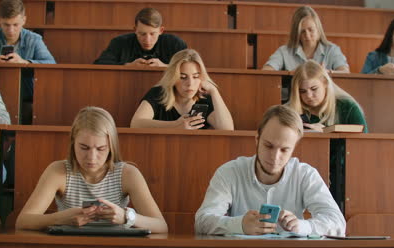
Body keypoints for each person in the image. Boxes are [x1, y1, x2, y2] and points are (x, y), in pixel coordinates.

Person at [195, 105, 345, 235]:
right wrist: (239, 225)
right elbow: (202, 221)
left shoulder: (305, 174)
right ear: (257, 139)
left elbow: (337, 223)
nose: (274, 157)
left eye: (284, 150)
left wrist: (303, 226)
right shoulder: (229, 172)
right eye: (268, 146)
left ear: (294, 148)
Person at [16, 107, 168, 233]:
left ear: (111, 147)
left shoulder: (128, 174)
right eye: (84, 148)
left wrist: (126, 217)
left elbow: (161, 227)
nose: (92, 157)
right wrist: (60, 219)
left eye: (101, 148)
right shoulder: (58, 171)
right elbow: (23, 221)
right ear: (73, 143)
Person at [130, 49, 234, 130]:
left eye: (196, 76)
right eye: (183, 77)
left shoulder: (205, 97)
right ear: (173, 78)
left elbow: (227, 129)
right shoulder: (158, 93)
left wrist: (214, 92)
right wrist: (175, 125)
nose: (190, 84)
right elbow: (136, 123)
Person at [262, 6, 349, 102]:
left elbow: (345, 72)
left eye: (311, 30)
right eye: (302, 31)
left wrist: (326, 72)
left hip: (325, 102)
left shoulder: (332, 50)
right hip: (293, 103)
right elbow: (266, 72)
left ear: (318, 29)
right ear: (296, 33)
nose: (307, 35)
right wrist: (290, 73)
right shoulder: (284, 51)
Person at [288, 60, 368, 132]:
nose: (308, 95)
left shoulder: (348, 107)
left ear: (325, 83)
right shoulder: (289, 111)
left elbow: (362, 144)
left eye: (314, 89)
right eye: (302, 91)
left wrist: (325, 134)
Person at [94, 7, 187, 66]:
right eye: (142, 33)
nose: (147, 40)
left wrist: (165, 67)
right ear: (135, 30)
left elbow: (191, 68)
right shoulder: (119, 42)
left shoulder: (175, 43)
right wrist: (127, 65)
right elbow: (100, 64)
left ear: (161, 30)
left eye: (152, 34)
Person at [0, 0, 55, 64]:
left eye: (15, 25)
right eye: (6, 25)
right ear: (0, 20)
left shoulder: (34, 39)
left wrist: (24, 62)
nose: (11, 30)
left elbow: (51, 63)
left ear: (24, 20)